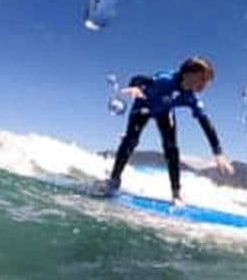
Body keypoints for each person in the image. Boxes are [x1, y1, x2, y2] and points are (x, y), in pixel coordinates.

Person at [99, 56, 234, 204]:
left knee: (172, 149)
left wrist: (218, 152)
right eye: (202, 78)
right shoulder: (165, 79)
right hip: (143, 105)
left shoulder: (190, 97)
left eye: (207, 81)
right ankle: (114, 180)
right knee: (130, 141)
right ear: (187, 73)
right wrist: (135, 86)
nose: (204, 84)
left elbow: (205, 122)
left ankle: (176, 193)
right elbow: (140, 78)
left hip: (164, 112)